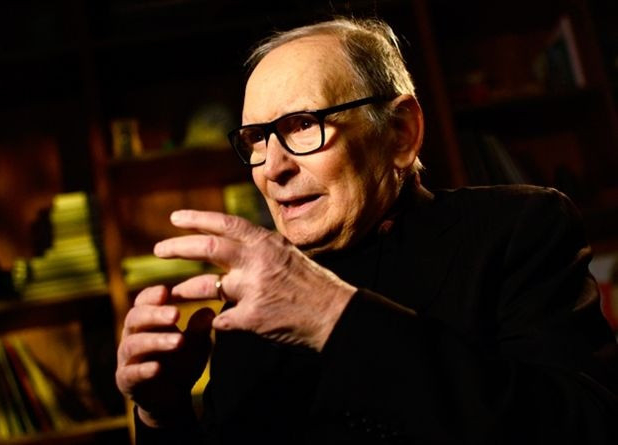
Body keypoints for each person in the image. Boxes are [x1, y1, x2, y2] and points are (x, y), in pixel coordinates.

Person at [115, 17, 618, 444]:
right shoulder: (249, 303)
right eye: (256, 139)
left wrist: (331, 314)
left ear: (400, 133)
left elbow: (586, 427)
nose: (273, 167)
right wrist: (164, 413)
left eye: (302, 125)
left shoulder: (519, 228)